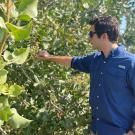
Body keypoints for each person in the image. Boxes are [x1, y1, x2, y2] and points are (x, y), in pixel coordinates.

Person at [37, 16, 135, 135]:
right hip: (96, 130)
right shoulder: (94, 60)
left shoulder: (130, 63)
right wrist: (49, 57)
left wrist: (132, 131)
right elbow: (72, 61)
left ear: (104, 36)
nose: (89, 38)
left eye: (91, 34)